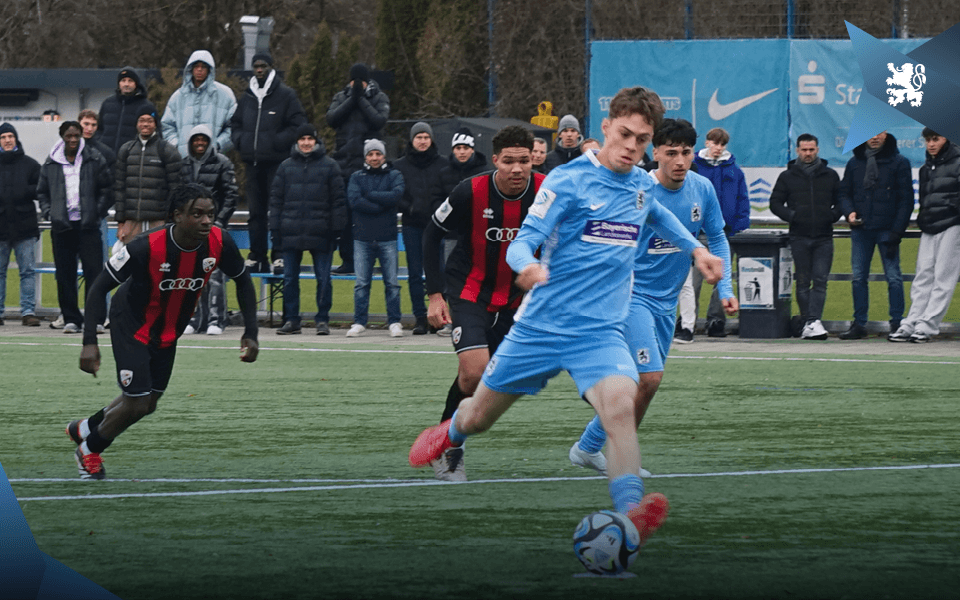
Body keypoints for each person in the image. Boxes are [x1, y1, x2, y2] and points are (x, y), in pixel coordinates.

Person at [409, 87, 723, 547]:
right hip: (541, 328)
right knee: (478, 418)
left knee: (620, 405)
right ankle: (450, 431)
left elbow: (658, 216)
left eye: (642, 139)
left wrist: (696, 249)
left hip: (600, 332)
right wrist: (527, 265)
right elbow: (523, 239)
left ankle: (630, 514)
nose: (632, 146)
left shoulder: (640, 184)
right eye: (625, 134)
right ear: (607, 129)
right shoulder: (567, 181)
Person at [568, 118, 736, 478]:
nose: (679, 160)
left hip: (666, 303)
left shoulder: (702, 189)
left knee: (641, 384)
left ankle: (588, 446)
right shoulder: (637, 189)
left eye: (686, 153)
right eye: (670, 152)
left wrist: (726, 289)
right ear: (654, 152)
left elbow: (718, 239)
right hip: (631, 296)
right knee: (650, 379)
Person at [68, 184, 259, 479]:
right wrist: (89, 342)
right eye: (197, 214)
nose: (207, 221)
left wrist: (251, 331)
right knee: (136, 402)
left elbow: (243, 281)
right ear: (177, 216)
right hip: (131, 324)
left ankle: (85, 428)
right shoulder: (146, 245)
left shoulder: (220, 242)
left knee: (148, 403)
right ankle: (88, 450)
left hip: (169, 330)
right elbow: (98, 288)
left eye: (210, 214)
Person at [420, 125, 545, 481]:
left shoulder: (546, 191)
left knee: (495, 379)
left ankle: (446, 435)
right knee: (474, 372)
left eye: (525, 161)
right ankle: (449, 447)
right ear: (495, 161)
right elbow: (431, 235)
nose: (518, 169)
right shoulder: (469, 191)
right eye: (509, 161)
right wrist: (435, 294)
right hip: (469, 289)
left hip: (518, 297)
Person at [230, 52, 307, 275]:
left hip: (277, 164)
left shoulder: (286, 95)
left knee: (278, 212)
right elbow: (235, 124)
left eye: (263, 65)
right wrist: (241, 141)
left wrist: (276, 142)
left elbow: (298, 125)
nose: (259, 69)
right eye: (256, 66)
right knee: (255, 213)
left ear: (271, 67)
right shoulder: (247, 97)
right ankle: (256, 255)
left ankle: (280, 255)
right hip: (252, 164)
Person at [36, 121, 112, 334]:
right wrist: (50, 211)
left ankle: (95, 319)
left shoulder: (94, 158)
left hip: (88, 225)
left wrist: (96, 212)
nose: (72, 140)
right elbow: (42, 191)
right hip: (62, 227)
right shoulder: (51, 162)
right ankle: (71, 318)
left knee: (94, 273)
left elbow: (107, 188)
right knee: (65, 274)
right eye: (68, 136)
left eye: (76, 136)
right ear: (62, 136)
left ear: (81, 136)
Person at [269, 124, 346, 335]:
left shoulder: (330, 166)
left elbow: (338, 201)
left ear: (316, 141)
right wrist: (275, 229)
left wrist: (336, 228)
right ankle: (292, 320)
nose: (306, 143)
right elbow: (276, 201)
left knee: (323, 279)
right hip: (290, 232)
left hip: (322, 232)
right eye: (302, 139)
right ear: (297, 142)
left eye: (309, 139)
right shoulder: (285, 167)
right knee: (289, 279)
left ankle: (322, 320)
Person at [837, 131, 914, 339]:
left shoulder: (899, 162)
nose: (874, 138)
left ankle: (897, 323)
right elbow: (844, 193)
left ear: (886, 134)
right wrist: (849, 211)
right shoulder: (854, 163)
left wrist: (897, 232)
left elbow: (906, 200)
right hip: (861, 230)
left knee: (894, 278)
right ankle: (859, 324)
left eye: (878, 133)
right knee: (858, 278)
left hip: (888, 230)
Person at [677, 127, 751, 340]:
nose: (718, 148)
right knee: (695, 280)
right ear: (707, 143)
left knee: (721, 278)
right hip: (698, 232)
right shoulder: (695, 167)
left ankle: (716, 320)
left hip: (724, 233)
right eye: (715, 143)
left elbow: (742, 199)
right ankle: (687, 320)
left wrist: (739, 225)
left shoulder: (734, 170)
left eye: (722, 144)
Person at [888, 129, 960, 343]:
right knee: (923, 276)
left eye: (935, 139)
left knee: (943, 278)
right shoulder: (926, 168)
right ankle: (911, 322)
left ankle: (928, 326)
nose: (931, 144)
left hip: (953, 225)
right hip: (929, 226)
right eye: (928, 140)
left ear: (946, 138)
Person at [768, 133, 841, 340]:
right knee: (802, 282)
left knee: (820, 280)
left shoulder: (830, 175)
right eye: (804, 150)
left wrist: (832, 216)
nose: (808, 153)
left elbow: (841, 200)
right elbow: (775, 203)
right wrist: (793, 216)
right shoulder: (787, 176)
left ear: (817, 150)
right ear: (797, 150)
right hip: (799, 236)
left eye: (811, 150)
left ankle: (812, 321)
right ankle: (810, 322)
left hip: (824, 236)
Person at [325, 62, 390, 275]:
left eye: (360, 81)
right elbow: (331, 119)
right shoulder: (341, 96)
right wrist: (351, 99)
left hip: (368, 167)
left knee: (366, 215)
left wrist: (360, 99)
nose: (356, 85)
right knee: (345, 217)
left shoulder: (378, 97)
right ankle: (347, 260)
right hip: (344, 163)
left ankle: (369, 260)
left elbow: (379, 120)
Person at [180, 125, 240, 335]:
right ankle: (195, 319)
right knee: (191, 274)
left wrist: (219, 221)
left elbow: (231, 195)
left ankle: (216, 319)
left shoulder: (222, 163)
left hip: (214, 227)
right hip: (190, 230)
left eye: (203, 139)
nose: (199, 143)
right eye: (196, 139)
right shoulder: (184, 165)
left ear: (209, 141)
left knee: (214, 274)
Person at [432, 126, 490, 336]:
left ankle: (482, 318)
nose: (462, 151)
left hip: (478, 236)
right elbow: (437, 201)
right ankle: (452, 321)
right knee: (452, 278)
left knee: (480, 277)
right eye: (458, 147)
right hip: (452, 235)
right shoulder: (444, 173)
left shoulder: (484, 172)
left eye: (466, 147)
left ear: (472, 149)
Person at [346, 139, 404, 338]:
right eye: (370, 154)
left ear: (384, 156)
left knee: (392, 283)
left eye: (378, 154)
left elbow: (396, 195)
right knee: (361, 283)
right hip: (362, 238)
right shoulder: (356, 177)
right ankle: (360, 321)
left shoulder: (394, 174)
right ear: (365, 157)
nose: (374, 158)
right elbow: (354, 200)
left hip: (387, 237)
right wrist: (380, 205)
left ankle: (395, 321)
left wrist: (369, 195)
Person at [394, 122, 448, 335]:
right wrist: (411, 207)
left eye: (426, 137)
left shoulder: (443, 164)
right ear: (412, 140)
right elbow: (397, 194)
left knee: (439, 272)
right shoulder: (400, 165)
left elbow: (448, 192)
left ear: (431, 139)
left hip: (437, 226)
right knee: (415, 273)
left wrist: (438, 211)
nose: (423, 141)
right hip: (412, 225)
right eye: (419, 137)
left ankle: (440, 317)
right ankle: (419, 317)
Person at [114, 106, 182, 245]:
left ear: (155, 123)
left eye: (149, 120)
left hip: (159, 221)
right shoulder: (126, 149)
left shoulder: (168, 150)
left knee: (159, 261)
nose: (145, 124)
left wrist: (170, 219)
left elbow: (176, 189)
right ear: (137, 123)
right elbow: (120, 188)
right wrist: (121, 222)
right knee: (130, 261)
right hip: (132, 221)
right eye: (141, 120)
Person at [0, 123, 41, 327]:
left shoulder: (31, 165)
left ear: (16, 139)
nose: (7, 140)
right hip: (0, 229)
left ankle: (28, 312)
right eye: (3, 137)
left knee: (28, 272)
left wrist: (24, 191)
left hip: (25, 227)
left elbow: (42, 188)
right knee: (0, 272)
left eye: (10, 136)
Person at [161, 50, 237, 157]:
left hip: (214, 160)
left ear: (210, 69)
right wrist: (177, 146)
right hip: (184, 159)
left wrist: (218, 145)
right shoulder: (178, 97)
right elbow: (167, 126)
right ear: (190, 69)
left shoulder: (225, 94)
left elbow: (234, 127)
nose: (199, 69)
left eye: (203, 66)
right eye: (196, 66)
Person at [98, 67, 155, 156]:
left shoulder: (147, 106)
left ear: (136, 83)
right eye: (123, 80)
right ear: (119, 83)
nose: (126, 84)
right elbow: (98, 129)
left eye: (130, 81)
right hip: (106, 159)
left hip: (132, 159)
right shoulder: (107, 103)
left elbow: (155, 133)